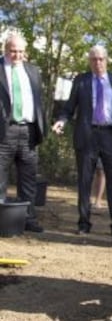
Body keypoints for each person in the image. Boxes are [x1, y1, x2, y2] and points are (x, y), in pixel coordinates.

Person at [52, 45, 112, 237]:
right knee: (84, 181)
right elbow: (69, 107)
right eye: (94, 59)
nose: (98, 63)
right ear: (89, 61)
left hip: (111, 136)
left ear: (106, 60)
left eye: (101, 59)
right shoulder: (81, 81)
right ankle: (84, 223)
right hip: (87, 135)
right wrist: (61, 121)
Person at [0, 32, 46, 232]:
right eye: (13, 51)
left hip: (28, 132)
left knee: (28, 178)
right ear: (5, 50)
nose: (16, 55)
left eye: (20, 51)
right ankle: (1, 219)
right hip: (4, 131)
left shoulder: (33, 71)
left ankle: (28, 219)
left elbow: (38, 100)